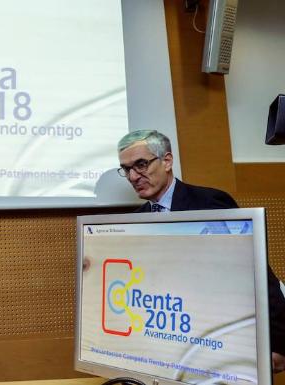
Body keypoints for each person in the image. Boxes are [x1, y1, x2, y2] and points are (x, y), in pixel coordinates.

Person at [117, 129, 285, 373]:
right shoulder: (136, 221)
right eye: (126, 169)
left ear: (167, 161)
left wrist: (279, 344)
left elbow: (253, 274)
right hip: (169, 348)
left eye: (141, 164)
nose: (133, 176)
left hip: (222, 341)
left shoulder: (210, 203)